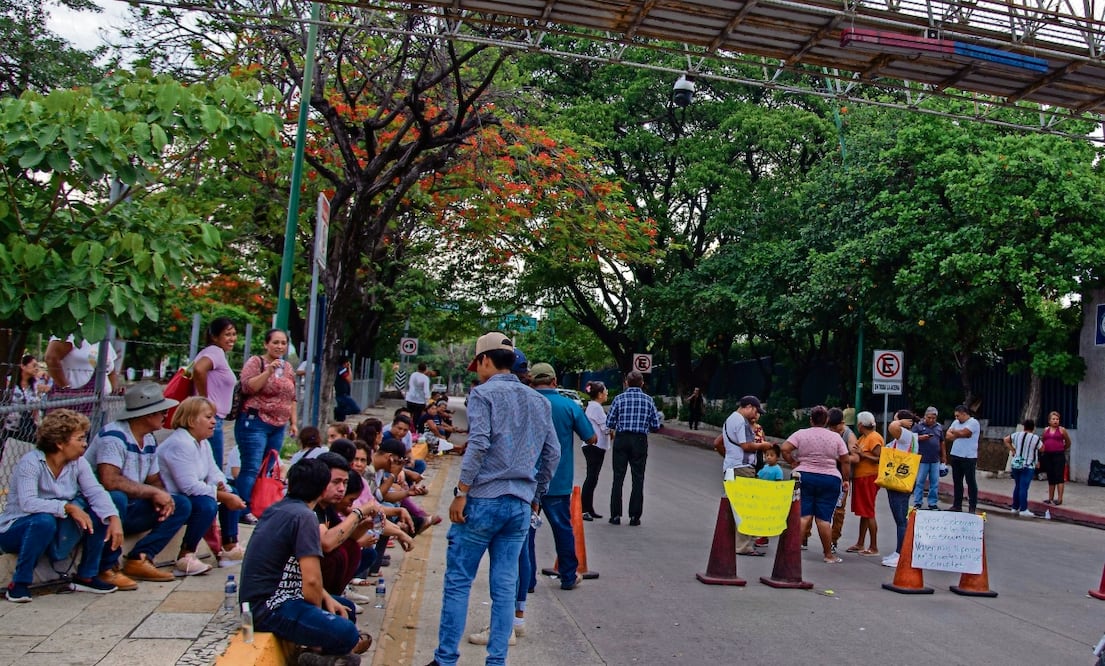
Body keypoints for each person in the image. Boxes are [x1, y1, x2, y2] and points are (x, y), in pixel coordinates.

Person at [431, 332, 559, 666]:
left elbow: (479, 444)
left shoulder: (482, 395)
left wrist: (462, 492)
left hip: (483, 500)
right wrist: (536, 495)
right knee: (504, 587)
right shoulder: (539, 401)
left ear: (486, 360)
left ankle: (445, 660)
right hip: (519, 503)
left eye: (478, 364)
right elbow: (552, 454)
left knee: (459, 581)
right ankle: (496, 661)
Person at [239, 458, 372, 663]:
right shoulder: (305, 516)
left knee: (345, 608)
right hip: (270, 607)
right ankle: (318, 655)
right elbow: (311, 581)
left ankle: (319, 658)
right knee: (346, 632)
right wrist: (318, 618)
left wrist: (327, 598)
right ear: (320, 490)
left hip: (277, 598)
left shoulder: (280, 508)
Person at [0, 409, 123, 601]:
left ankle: (86, 576)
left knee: (100, 510)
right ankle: (19, 583)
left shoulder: (78, 463)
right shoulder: (31, 463)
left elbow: (95, 492)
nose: (85, 444)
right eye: (79, 439)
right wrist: (67, 507)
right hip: (18, 528)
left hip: (56, 525)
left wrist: (113, 518)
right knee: (43, 521)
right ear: (60, 443)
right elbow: (28, 503)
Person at [86, 382, 191, 585]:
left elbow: (154, 480)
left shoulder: (149, 439)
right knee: (117, 498)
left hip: (132, 506)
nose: (165, 415)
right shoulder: (114, 436)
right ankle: (106, 567)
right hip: (102, 509)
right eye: (161, 411)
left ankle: (141, 557)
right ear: (147, 414)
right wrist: (152, 493)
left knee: (181, 504)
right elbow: (110, 480)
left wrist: (162, 497)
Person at [158, 397, 247, 576]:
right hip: (174, 496)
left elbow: (213, 471)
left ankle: (229, 545)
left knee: (232, 490)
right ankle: (186, 555)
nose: (214, 421)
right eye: (208, 417)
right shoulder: (180, 444)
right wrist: (223, 496)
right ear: (191, 421)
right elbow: (189, 486)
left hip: (191, 493)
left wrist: (222, 485)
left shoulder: (202, 442)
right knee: (207, 505)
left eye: (214, 417)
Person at [530, 362, 595, 590]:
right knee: (563, 529)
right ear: (554, 381)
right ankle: (568, 576)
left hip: (525, 481)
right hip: (557, 482)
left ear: (531, 381)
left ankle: (526, 581)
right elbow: (591, 438)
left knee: (525, 533)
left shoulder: (526, 403)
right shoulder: (568, 406)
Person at [234, 328, 298, 524]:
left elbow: (292, 397)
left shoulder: (288, 367)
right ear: (266, 344)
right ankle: (240, 508)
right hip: (255, 421)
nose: (279, 346)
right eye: (275, 342)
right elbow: (248, 386)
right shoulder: (256, 362)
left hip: (278, 426)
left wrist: (293, 422)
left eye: (283, 343)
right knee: (251, 467)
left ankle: (255, 504)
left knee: (266, 468)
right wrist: (268, 371)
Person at [780, 406, 851, 564]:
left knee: (803, 516)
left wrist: (793, 462)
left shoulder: (801, 434)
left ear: (811, 419)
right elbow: (845, 460)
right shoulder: (836, 438)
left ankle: (792, 552)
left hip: (804, 476)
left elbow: (785, 448)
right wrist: (846, 479)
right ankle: (828, 555)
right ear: (826, 421)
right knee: (824, 519)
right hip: (830, 479)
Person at [713, 396, 769, 553]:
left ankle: (731, 541)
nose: (756, 415)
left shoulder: (730, 419)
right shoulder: (741, 421)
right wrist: (764, 445)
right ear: (749, 407)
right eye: (756, 411)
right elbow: (746, 445)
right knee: (745, 507)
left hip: (732, 466)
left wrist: (730, 457)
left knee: (734, 506)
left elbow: (718, 443)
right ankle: (743, 546)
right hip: (742, 468)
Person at [606, 370, 661, 526]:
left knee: (618, 477)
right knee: (638, 478)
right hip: (639, 440)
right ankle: (634, 516)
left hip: (622, 439)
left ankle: (615, 515)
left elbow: (609, 422)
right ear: (642, 383)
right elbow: (656, 425)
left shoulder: (619, 399)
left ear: (626, 383)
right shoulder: (648, 400)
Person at [191, 317, 237, 472]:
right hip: (211, 418)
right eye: (227, 334)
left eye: (234, 334)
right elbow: (199, 369)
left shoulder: (214, 353)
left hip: (212, 417)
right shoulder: (215, 352)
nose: (232, 339)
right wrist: (205, 400)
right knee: (215, 469)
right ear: (215, 337)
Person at [44, 334, 118, 415]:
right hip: (72, 404)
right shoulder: (72, 333)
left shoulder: (102, 338)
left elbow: (111, 371)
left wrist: (115, 391)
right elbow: (51, 358)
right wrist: (65, 387)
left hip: (100, 406)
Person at [882, 410, 919, 569]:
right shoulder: (907, 437)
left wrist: (901, 423)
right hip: (897, 480)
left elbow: (892, 427)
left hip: (901, 482)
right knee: (899, 519)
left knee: (901, 520)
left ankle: (901, 553)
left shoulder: (906, 435)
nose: (894, 421)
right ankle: (899, 552)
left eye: (896, 419)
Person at [845, 411, 882, 556]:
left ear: (861, 425)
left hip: (869, 477)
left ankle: (873, 546)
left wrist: (862, 454)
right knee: (865, 512)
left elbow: (879, 458)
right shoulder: (863, 437)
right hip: (861, 477)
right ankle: (860, 543)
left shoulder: (874, 438)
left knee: (869, 511)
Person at [581, 381, 610, 521]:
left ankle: (589, 508)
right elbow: (606, 427)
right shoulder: (596, 408)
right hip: (594, 446)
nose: (607, 393)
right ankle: (583, 509)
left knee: (593, 478)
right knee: (591, 478)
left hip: (595, 446)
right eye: (605, 391)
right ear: (599, 394)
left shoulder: (593, 406)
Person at [945, 404, 981, 513]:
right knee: (957, 481)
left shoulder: (973, 422)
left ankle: (972, 506)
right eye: (955, 416)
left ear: (964, 414)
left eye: (958, 416)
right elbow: (948, 435)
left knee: (970, 481)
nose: (956, 418)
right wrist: (958, 433)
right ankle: (957, 504)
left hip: (968, 456)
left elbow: (966, 433)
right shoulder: (956, 422)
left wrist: (955, 433)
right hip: (956, 454)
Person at [3, 354, 44, 445]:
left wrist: (37, 424)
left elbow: (35, 409)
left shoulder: (34, 386)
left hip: (23, 428)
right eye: (34, 365)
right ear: (23, 366)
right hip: (6, 426)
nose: (37, 368)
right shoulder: (9, 382)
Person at [1005, 419, 1042, 516]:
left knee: (1017, 485)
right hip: (1028, 465)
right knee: (1023, 487)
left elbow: (1006, 440)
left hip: (1016, 464)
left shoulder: (1016, 435)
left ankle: (1015, 507)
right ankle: (1023, 509)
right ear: (1033, 428)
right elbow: (1042, 448)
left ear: (1024, 426)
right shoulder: (1035, 438)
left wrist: (1013, 450)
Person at [911, 406, 945, 510]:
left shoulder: (939, 427)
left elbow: (942, 442)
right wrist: (921, 438)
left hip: (935, 459)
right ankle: (917, 502)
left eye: (933, 418)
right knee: (920, 481)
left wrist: (944, 456)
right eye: (929, 417)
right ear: (925, 416)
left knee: (934, 482)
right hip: (922, 459)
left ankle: (932, 502)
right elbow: (911, 439)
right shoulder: (918, 427)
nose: (931, 420)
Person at [1040, 411, 1072, 506]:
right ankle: (1050, 498)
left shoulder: (1062, 430)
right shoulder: (1046, 430)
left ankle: (1060, 499)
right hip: (1048, 455)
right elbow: (1042, 441)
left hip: (1059, 455)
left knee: (1059, 476)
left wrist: (1062, 448)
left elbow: (1068, 442)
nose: (1055, 421)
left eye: (1057, 419)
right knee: (1051, 476)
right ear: (1049, 421)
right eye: (1053, 419)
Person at [333, 357, 362, 422]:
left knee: (341, 418)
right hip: (342, 394)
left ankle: (339, 416)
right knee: (356, 409)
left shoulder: (340, 369)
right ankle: (337, 411)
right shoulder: (341, 369)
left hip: (342, 394)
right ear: (345, 363)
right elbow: (349, 379)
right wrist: (349, 368)